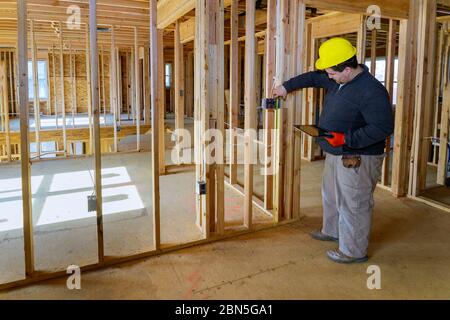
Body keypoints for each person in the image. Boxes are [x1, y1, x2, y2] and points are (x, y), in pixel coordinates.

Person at [273, 37, 394, 264]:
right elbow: (312, 77)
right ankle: (332, 231)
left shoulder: (372, 91)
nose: (328, 77)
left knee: (354, 203)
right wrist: (285, 87)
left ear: (347, 69)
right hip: (335, 151)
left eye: (332, 73)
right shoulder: (338, 80)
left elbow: (383, 127)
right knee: (331, 195)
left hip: (357, 156)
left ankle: (353, 251)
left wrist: (346, 139)